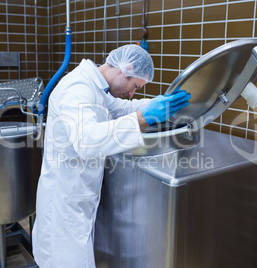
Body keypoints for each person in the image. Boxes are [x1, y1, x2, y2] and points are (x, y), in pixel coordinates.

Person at [32, 44, 190, 267]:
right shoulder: (77, 87)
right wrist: (143, 119)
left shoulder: (97, 89)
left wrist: (161, 105)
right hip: (64, 205)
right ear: (126, 68)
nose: (132, 92)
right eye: (135, 85)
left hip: (78, 199)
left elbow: (123, 108)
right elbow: (86, 140)